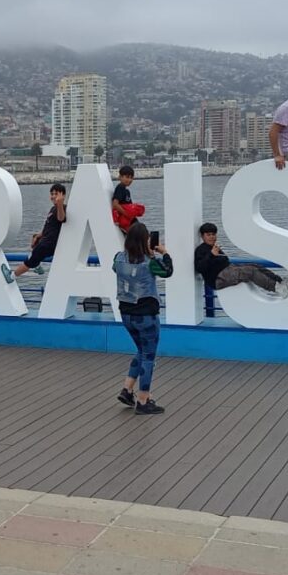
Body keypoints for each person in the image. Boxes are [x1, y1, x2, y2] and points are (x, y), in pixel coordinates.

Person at [113, 222, 173, 415]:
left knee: (141, 350)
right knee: (149, 356)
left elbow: (116, 268)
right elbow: (167, 271)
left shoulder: (118, 258)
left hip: (126, 313)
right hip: (146, 314)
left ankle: (127, 389)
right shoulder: (150, 262)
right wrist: (164, 253)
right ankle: (143, 399)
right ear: (145, 240)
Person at [193, 223, 286, 294]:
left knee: (255, 265)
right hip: (218, 278)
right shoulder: (201, 250)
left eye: (213, 234)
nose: (212, 237)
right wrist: (211, 254)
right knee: (251, 271)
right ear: (202, 236)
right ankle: (276, 288)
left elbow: (224, 260)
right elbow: (200, 267)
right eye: (208, 235)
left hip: (228, 270)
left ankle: (279, 281)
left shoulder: (214, 247)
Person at [2, 183, 66, 282]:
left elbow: (61, 218)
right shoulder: (53, 208)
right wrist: (38, 235)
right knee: (35, 243)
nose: (53, 196)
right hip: (45, 240)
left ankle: (11, 276)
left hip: (49, 244)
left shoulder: (62, 208)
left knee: (30, 261)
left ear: (62, 195)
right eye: (52, 194)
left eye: (56, 194)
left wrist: (60, 204)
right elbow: (49, 226)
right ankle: (37, 265)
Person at [111, 165, 144, 232]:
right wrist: (126, 214)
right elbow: (115, 204)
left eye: (131, 178)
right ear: (120, 177)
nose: (129, 180)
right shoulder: (120, 188)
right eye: (127, 177)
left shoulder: (126, 191)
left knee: (142, 230)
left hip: (129, 218)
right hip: (125, 218)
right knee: (140, 231)